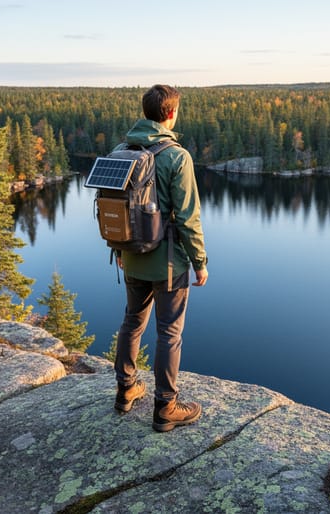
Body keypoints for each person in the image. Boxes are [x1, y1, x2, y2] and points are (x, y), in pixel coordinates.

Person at [113, 84, 209, 432]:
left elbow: (117, 207)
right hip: (168, 262)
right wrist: (200, 261)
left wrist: (118, 249)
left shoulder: (122, 150)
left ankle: (126, 391)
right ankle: (166, 407)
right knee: (169, 332)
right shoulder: (176, 156)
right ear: (170, 114)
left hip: (132, 256)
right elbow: (188, 216)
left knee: (132, 321)